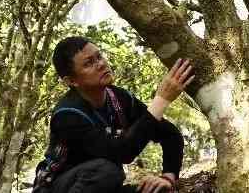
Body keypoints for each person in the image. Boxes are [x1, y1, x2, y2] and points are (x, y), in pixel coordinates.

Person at [33, 36, 194, 193]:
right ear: (71, 81)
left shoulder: (120, 98)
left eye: (99, 56)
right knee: (107, 170)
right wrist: (161, 100)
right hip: (57, 186)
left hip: (102, 185)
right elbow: (122, 152)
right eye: (89, 63)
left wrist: (167, 178)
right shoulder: (67, 115)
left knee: (156, 190)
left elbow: (170, 135)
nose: (101, 64)